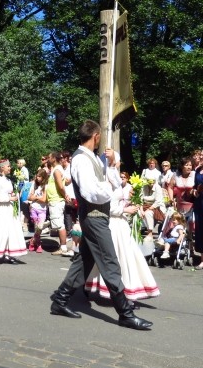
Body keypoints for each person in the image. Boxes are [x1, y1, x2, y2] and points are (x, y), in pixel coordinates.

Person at [48, 120, 152, 330]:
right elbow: (91, 191)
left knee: (85, 261)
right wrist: (111, 188)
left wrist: (112, 164)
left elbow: (109, 179)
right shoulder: (81, 160)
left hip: (97, 216)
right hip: (94, 217)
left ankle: (60, 300)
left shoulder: (91, 158)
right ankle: (125, 313)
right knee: (109, 262)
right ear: (95, 136)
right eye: (99, 137)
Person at [85, 174, 160, 301]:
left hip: (122, 224)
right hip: (112, 223)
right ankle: (111, 288)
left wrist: (133, 203)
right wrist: (125, 210)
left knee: (127, 255)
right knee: (114, 256)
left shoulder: (118, 183)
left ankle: (127, 287)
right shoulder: (104, 183)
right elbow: (105, 208)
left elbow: (120, 202)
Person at [0, 160, 28, 264]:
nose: (10, 168)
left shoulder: (8, 180)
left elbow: (10, 192)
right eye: (8, 166)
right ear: (2, 168)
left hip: (9, 208)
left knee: (11, 231)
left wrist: (14, 195)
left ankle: (9, 253)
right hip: (1, 209)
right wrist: (9, 198)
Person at [46, 152, 69, 256]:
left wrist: (65, 196)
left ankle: (63, 247)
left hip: (56, 201)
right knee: (58, 223)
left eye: (50, 157)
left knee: (59, 225)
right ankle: (62, 246)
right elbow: (67, 181)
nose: (48, 159)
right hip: (55, 200)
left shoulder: (56, 171)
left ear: (54, 159)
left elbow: (60, 186)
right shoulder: (57, 169)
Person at [26, 169, 49, 252]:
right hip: (33, 208)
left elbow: (44, 199)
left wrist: (35, 197)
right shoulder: (34, 185)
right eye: (37, 176)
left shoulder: (46, 186)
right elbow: (29, 197)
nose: (37, 178)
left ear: (43, 177)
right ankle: (38, 244)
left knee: (40, 227)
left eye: (39, 176)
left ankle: (32, 241)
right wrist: (35, 198)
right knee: (36, 227)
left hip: (42, 209)